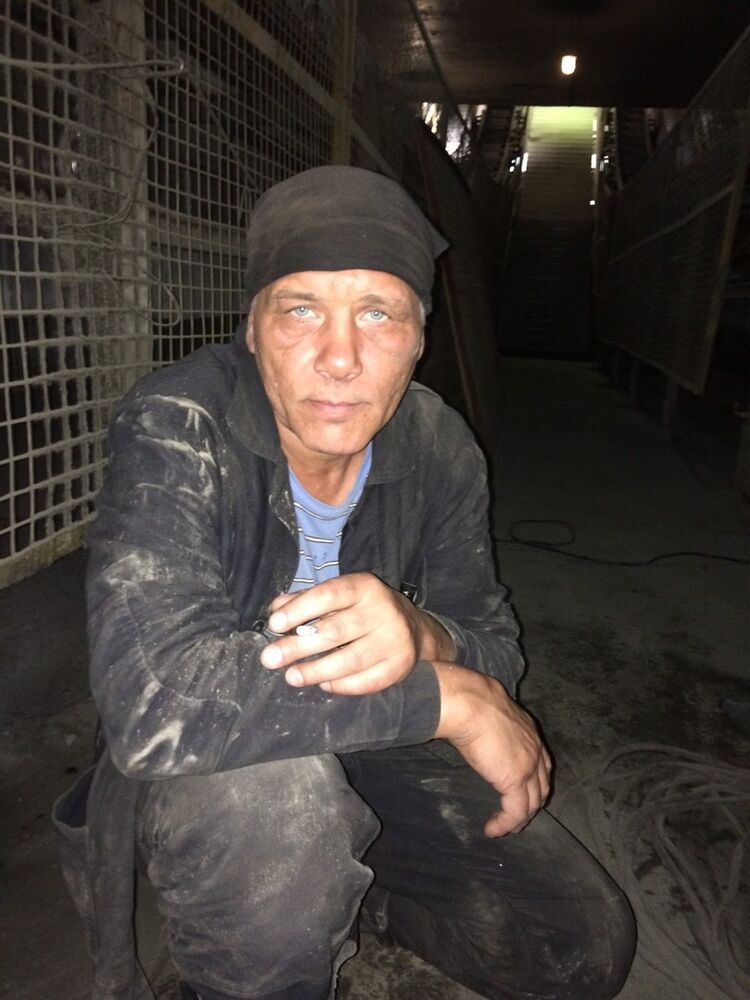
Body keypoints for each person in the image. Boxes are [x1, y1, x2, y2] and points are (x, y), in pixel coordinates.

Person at [55, 166, 635, 1000]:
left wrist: (424, 633)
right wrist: (446, 698)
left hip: (375, 747)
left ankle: (347, 891)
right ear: (252, 330)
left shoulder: (439, 446)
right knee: (281, 812)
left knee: (579, 947)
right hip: (218, 762)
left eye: (377, 313)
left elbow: (494, 645)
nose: (339, 358)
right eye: (300, 310)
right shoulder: (179, 423)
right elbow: (155, 706)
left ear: (420, 337)